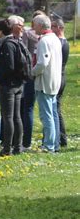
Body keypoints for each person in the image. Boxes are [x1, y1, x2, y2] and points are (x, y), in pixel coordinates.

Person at [0, 15, 27, 156]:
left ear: (1, 31)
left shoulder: (7, 44)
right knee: (16, 116)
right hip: (19, 84)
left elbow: (9, 66)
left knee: (8, 117)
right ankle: (18, 146)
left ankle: (7, 148)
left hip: (9, 85)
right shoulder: (17, 41)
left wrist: (0, 79)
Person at [31, 14, 62, 153]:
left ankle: (49, 146)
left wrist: (31, 72)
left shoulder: (44, 41)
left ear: (41, 25)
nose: (33, 27)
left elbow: (42, 63)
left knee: (47, 115)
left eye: (35, 25)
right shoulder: (55, 38)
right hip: (54, 80)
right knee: (53, 113)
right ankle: (54, 144)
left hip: (45, 82)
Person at [20, 11, 43, 149]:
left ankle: (25, 141)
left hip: (29, 74)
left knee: (26, 108)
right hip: (40, 75)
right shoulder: (45, 37)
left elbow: (24, 53)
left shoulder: (28, 35)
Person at [51, 18, 69, 147]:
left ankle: (60, 138)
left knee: (55, 109)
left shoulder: (61, 43)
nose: (51, 29)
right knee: (56, 108)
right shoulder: (63, 42)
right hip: (61, 77)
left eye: (52, 26)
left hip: (58, 77)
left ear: (58, 27)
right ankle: (61, 138)